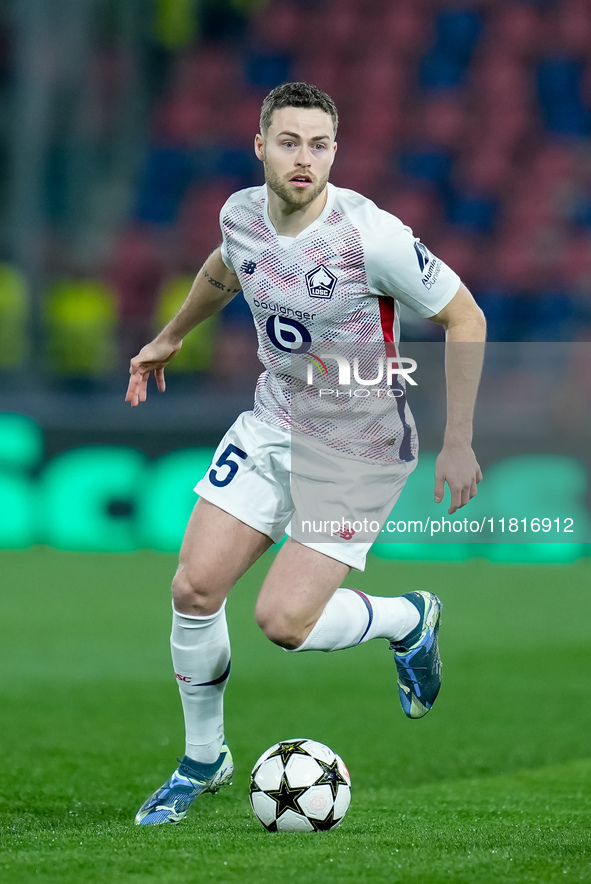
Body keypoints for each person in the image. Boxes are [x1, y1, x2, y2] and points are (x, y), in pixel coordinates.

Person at [125, 82, 486, 826]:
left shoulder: (369, 236)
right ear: (260, 146)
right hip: (272, 421)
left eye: (319, 144)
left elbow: (464, 315)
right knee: (192, 591)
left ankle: (406, 619)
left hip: (356, 446)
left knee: (284, 625)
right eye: (288, 141)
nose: (304, 158)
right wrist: (174, 333)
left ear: (334, 152)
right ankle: (203, 760)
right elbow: (225, 269)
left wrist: (457, 440)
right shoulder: (239, 214)